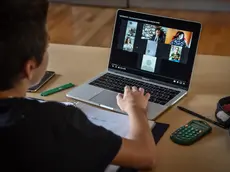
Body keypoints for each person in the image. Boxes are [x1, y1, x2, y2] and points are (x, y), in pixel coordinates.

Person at [0, 0, 156, 171]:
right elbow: (145, 156)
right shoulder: (56, 123)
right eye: (47, 46)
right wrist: (136, 109)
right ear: (29, 69)